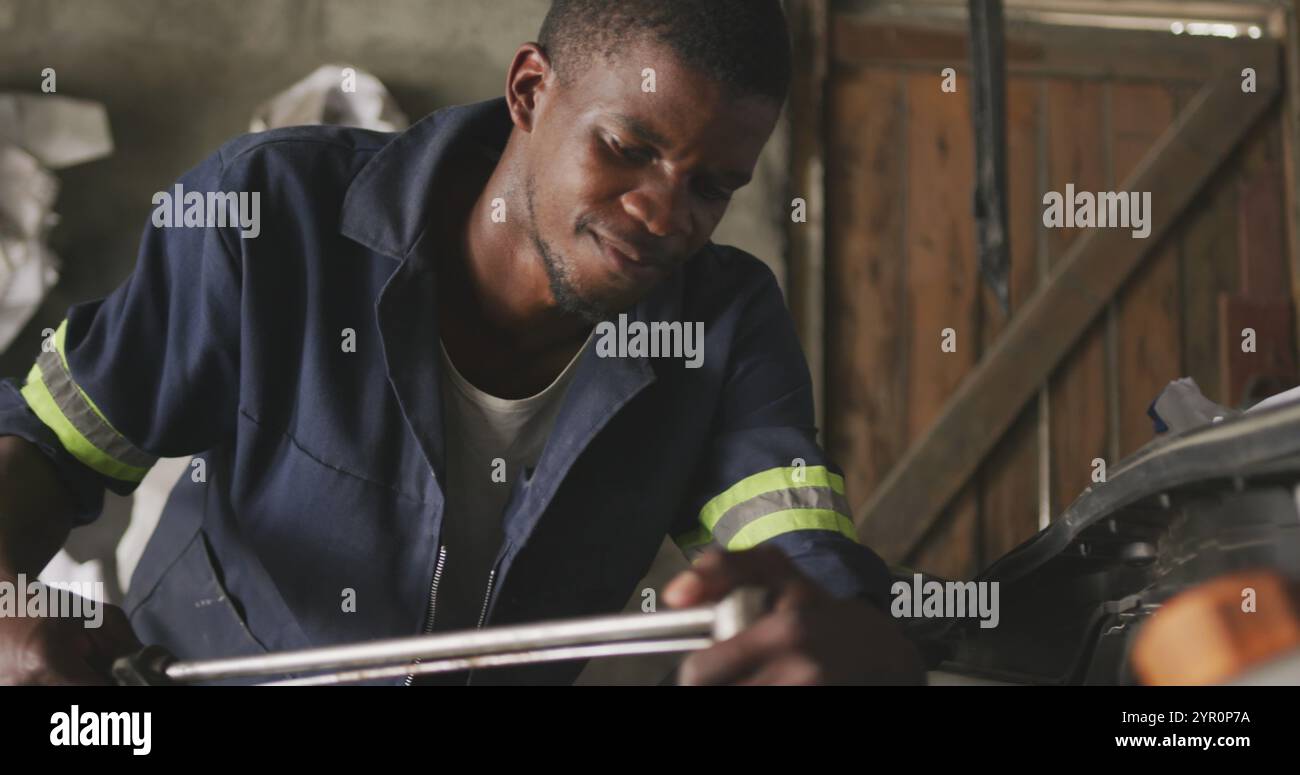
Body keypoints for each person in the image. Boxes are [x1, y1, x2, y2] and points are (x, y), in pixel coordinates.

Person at [0, 0, 923, 685]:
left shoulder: (722, 325)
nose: (663, 214)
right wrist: (8, 606)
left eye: (713, 186)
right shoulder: (269, 215)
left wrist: (853, 638)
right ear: (530, 90)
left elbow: (803, 551)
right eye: (629, 148)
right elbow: (49, 444)